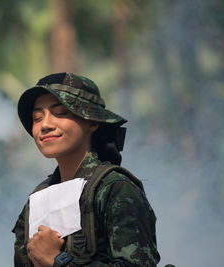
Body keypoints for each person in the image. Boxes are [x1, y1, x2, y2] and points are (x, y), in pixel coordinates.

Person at [12, 73, 160, 267]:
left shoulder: (114, 189)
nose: (45, 125)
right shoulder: (37, 201)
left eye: (61, 113)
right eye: (37, 118)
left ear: (92, 121)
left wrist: (57, 261)